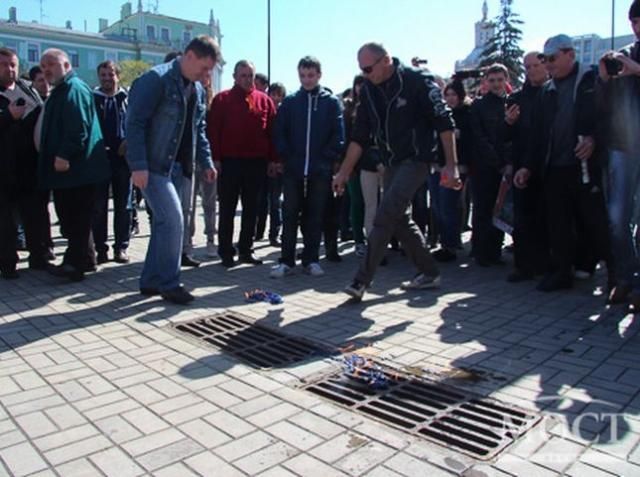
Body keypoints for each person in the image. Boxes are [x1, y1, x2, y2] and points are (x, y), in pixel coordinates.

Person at [332, 42, 460, 301]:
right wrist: (344, 172)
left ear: (386, 60)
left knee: (385, 213)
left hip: (418, 159)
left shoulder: (418, 81)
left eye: (368, 68)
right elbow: (360, 136)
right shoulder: (369, 89)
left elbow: (444, 122)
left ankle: (360, 281)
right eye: (362, 70)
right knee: (399, 218)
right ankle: (429, 272)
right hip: (391, 161)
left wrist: (452, 165)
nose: (365, 75)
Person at [514, 34, 612, 292]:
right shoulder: (547, 91)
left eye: (552, 58)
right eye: (544, 59)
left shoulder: (592, 81)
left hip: (586, 168)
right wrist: (527, 166)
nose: (548, 64)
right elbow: (538, 136)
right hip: (554, 169)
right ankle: (561, 272)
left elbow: (610, 118)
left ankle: (617, 276)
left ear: (570, 54)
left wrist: (594, 140)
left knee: (596, 222)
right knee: (558, 223)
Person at [126, 35, 219, 304]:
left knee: (164, 224)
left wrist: (207, 161)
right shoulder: (155, 79)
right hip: (154, 166)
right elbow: (135, 124)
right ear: (189, 56)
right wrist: (138, 165)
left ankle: (150, 281)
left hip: (180, 167)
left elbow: (199, 130)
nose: (206, 74)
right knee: (175, 221)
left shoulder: (198, 90)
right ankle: (170, 283)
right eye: (204, 67)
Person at [38, 48, 110, 282]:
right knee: (76, 218)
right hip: (74, 171)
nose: (46, 69)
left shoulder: (74, 89)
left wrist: (64, 155)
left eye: (51, 64)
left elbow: (78, 127)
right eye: (43, 66)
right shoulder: (63, 89)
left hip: (77, 169)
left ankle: (73, 265)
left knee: (75, 218)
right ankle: (87, 258)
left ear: (67, 66)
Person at [271, 56, 345, 278]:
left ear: (319, 75)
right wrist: (287, 156)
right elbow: (279, 133)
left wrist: (326, 158)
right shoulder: (291, 102)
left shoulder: (331, 103)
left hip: (319, 171)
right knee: (290, 213)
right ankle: (286, 260)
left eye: (311, 75)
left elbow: (338, 135)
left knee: (315, 215)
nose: (307, 80)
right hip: (293, 170)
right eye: (303, 75)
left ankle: (311, 259)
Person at [208, 60, 277, 268]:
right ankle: (226, 251)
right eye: (243, 75)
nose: (247, 79)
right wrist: (216, 159)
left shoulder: (265, 101)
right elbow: (213, 131)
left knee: (252, 209)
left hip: (256, 163)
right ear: (235, 77)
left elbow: (273, 132)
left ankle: (246, 249)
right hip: (229, 163)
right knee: (227, 209)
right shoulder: (222, 99)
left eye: (250, 75)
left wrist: (274, 160)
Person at [598, 0, 640, 309]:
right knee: (617, 217)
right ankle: (626, 278)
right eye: (634, 22)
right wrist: (606, 78)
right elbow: (603, 105)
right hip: (623, 145)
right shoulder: (624, 56)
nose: (637, 27)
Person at [0, 48, 53, 279]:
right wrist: (7, 117)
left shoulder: (27, 89)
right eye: (3, 65)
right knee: (6, 222)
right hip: (3, 169)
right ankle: (8, 264)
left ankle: (39, 257)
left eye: (12, 64)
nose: (9, 69)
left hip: (30, 167)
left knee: (35, 215)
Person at [504, 52, 549, 282]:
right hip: (522, 164)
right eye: (527, 66)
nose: (531, 70)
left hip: (548, 164)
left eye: (535, 65)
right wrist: (509, 123)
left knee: (548, 218)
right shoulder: (518, 98)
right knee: (522, 218)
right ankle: (523, 266)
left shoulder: (554, 92)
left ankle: (548, 265)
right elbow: (506, 136)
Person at [469, 63, 511, 267]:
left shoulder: (510, 103)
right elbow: (479, 138)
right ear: (486, 81)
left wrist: (506, 163)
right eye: (492, 80)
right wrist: (497, 162)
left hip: (504, 166)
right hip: (484, 167)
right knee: (483, 209)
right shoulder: (478, 106)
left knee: (499, 209)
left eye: (500, 80)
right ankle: (481, 252)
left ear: (506, 80)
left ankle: (495, 250)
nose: (496, 84)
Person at [92, 60, 132, 264]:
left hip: (123, 160)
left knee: (123, 206)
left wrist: (128, 141)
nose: (107, 78)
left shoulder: (127, 98)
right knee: (98, 206)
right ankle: (101, 249)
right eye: (103, 75)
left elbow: (136, 123)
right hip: (99, 160)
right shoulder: (92, 99)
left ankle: (121, 247)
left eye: (111, 75)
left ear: (118, 76)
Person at [430, 80, 473, 262]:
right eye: (447, 95)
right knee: (438, 206)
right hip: (436, 165)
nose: (450, 98)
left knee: (449, 206)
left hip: (455, 166)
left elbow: (468, 142)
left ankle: (450, 245)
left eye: (454, 94)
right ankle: (446, 241)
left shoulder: (466, 115)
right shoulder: (439, 115)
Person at [256, 82, 287, 247]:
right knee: (261, 200)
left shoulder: (284, 114)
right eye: (273, 94)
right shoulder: (265, 112)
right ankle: (258, 232)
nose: (275, 98)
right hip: (263, 161)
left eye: (278, 95)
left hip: (279, 163)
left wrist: (279, 162)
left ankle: (274, 234)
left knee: (275, 201)